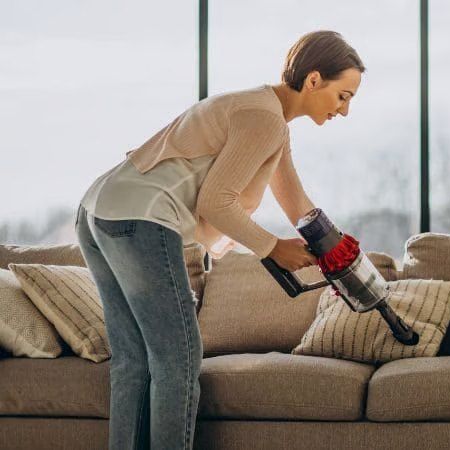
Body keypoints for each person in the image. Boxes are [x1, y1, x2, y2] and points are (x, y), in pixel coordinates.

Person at [74, 29, 364, 450]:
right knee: (179, 359)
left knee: (135, 360)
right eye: (344, 96)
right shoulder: (263, 118)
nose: (346, 110)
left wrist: (333, 249)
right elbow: (215, 201)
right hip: (141, 217)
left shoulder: (265, 115)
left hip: (99, 211)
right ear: (314, 79)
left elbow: (293, 198)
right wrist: (272, 248)